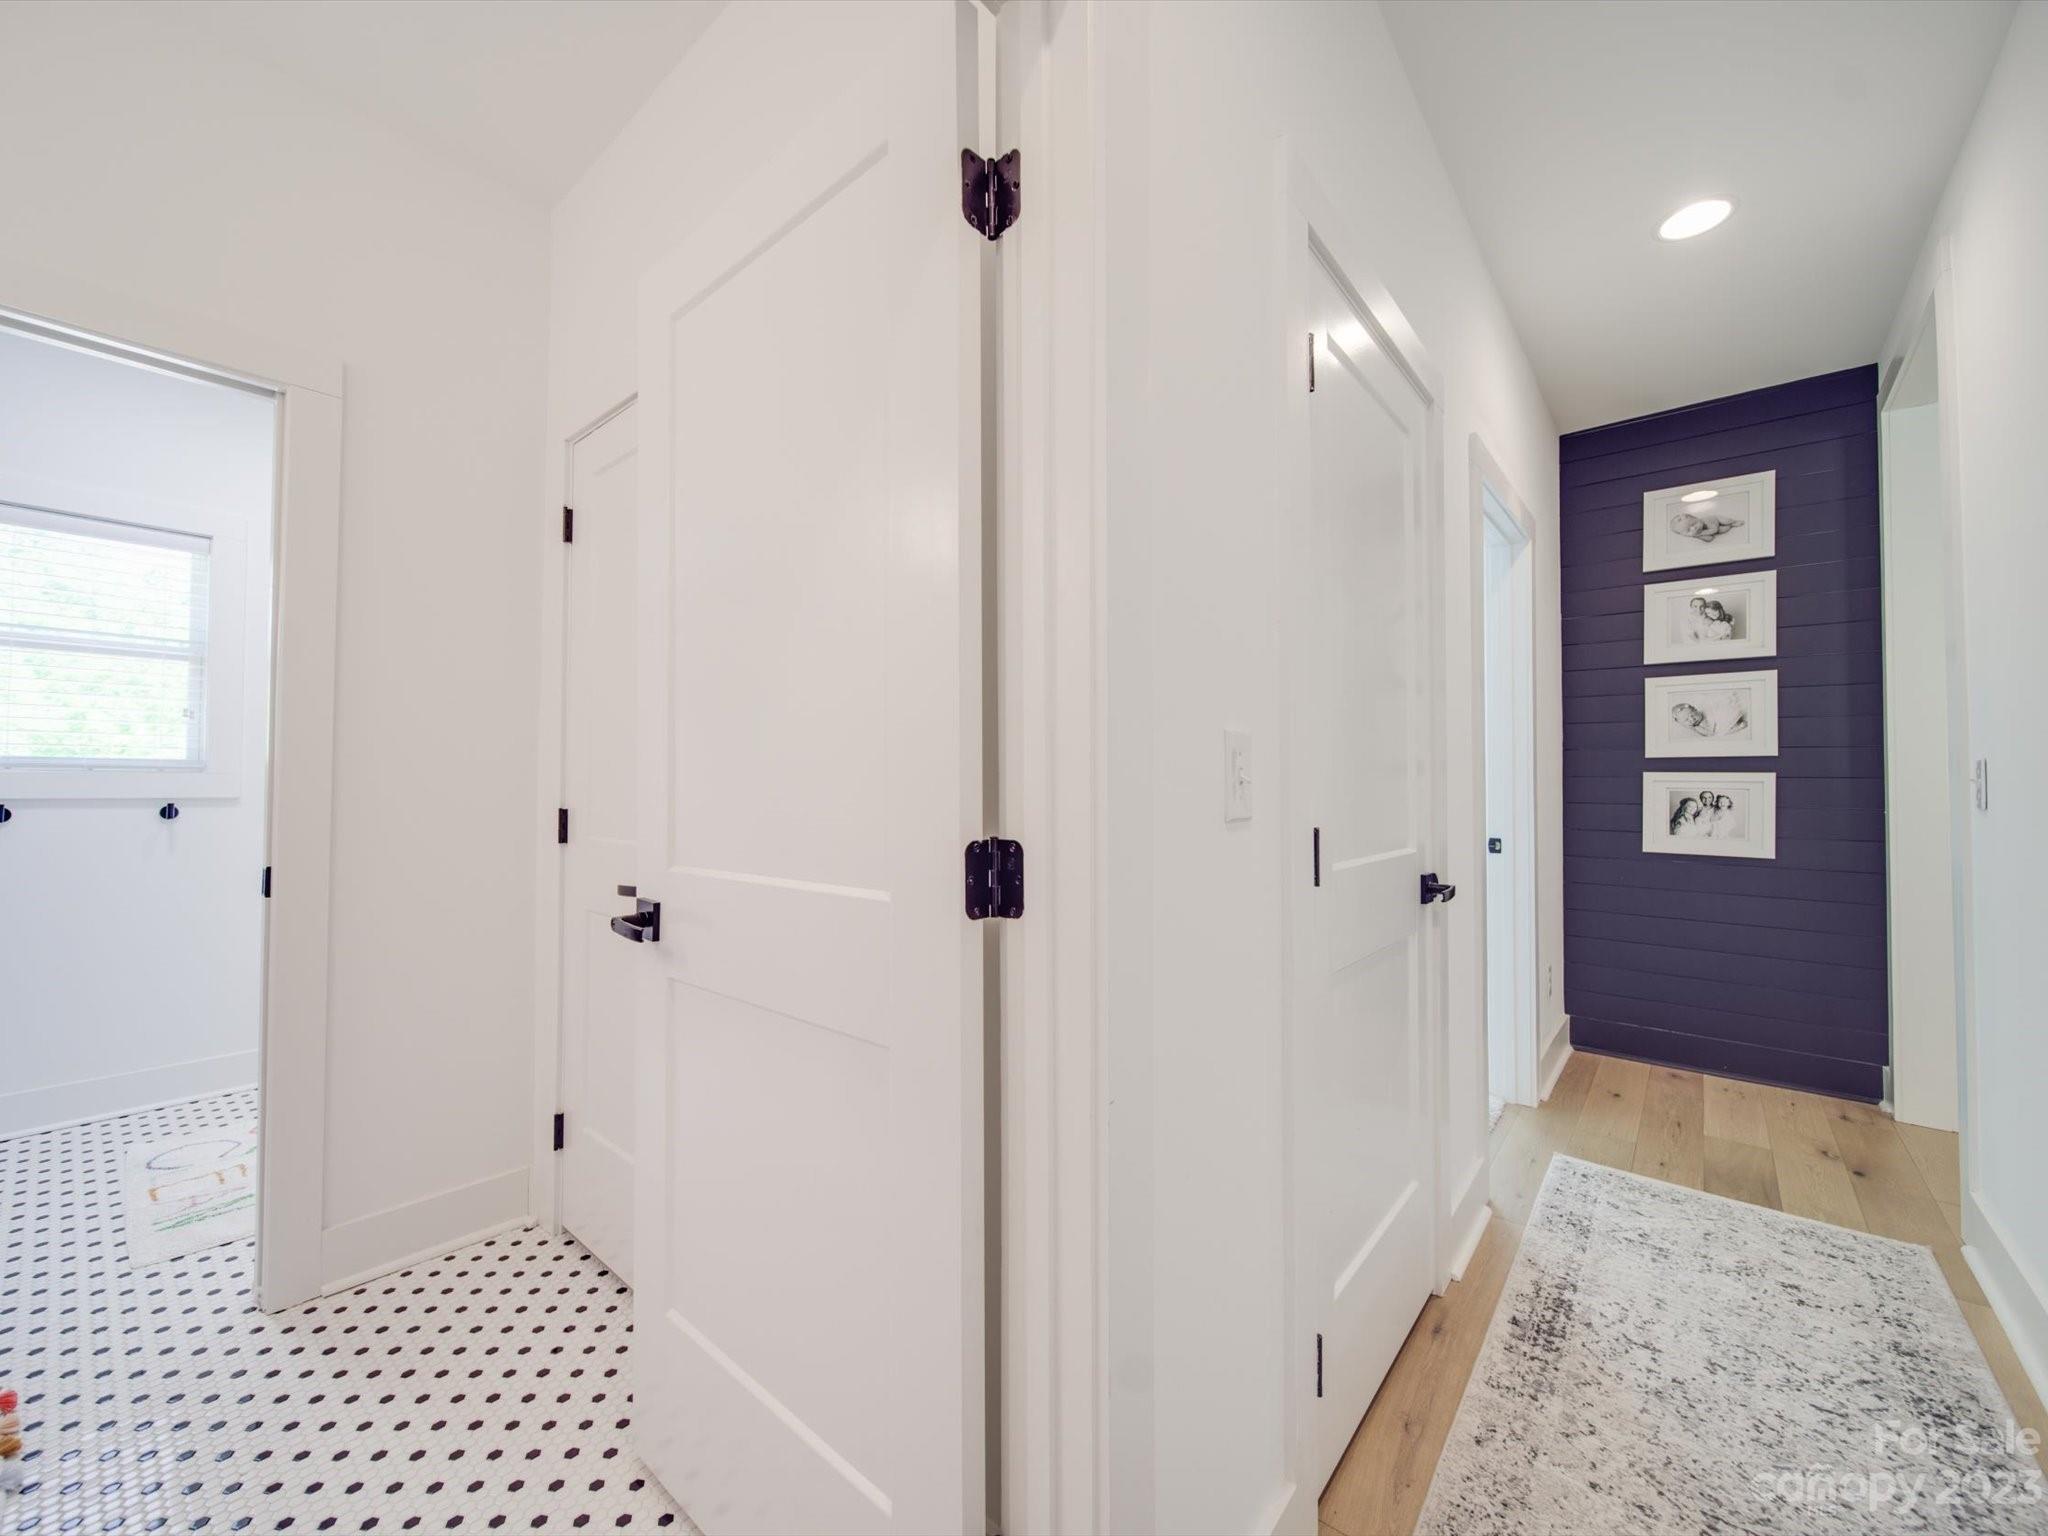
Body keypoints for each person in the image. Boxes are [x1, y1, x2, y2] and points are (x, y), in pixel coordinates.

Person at [1672, 691, 1748, 739]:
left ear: (1696, 710)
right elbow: (1709, 733)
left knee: (1724, 710)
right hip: (1719, 724)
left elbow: (1710, 731)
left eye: (1692, 714)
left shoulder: (1700, 718)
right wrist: (1693, 728)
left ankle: (1736, 721)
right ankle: (1738, 727)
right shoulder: (1696, 726)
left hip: (1717, 717)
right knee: (1722, 733)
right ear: (1683, 724)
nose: (1692, 719)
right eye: (1686, 720)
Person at [1670, 508, 1745, 544]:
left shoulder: (1705, 522)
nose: (1694, 528)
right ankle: (1731, 525)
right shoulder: (1697, 534)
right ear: (1685, 535)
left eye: (1694, 524)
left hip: (1716, 520)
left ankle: (1733, 522)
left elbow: (1714, 530)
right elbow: (1710, 538)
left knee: (1726, 521)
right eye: (1688, 531)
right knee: (1723, 530)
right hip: (1716, 529)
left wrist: (1701, 533)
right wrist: (1699, 536)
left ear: (1697, 518)